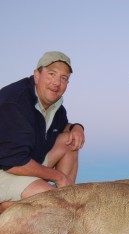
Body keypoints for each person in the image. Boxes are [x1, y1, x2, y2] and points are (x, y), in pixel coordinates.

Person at [0, 51, 85, 212]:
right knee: (53, 201)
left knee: (70, 141)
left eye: (64, 78)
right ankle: (6, 208)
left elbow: (64, 126)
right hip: (6, 169)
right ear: (37, 75)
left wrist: (77, 128)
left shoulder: (54, 106)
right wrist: (58, 177)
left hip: (25, 163)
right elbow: (14, 162)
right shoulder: (15, 102)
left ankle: (64, 202)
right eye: (52, 74)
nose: (57, 82)